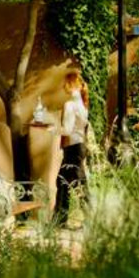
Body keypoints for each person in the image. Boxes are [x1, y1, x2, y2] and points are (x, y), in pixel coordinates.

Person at [54, 71, 90, 227]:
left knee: (69, 183)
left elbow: (67, 130)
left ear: (71, 84)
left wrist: (52, 128)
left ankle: (60, 221)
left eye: (65, 83)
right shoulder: (82, 104)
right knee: (69, 183)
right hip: (79, 147)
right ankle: (61, 221)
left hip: (73, 148)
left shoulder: (70, 105)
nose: (63, 86)